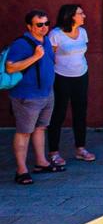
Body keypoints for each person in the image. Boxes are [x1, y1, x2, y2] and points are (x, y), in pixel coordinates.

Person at [7, 10, 61, 185]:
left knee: (40, 128)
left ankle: (41, 162)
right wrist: (35, 57)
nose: (44, 27)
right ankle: (21, 170)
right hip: (27, 96)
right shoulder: (21, 44)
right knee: (24, 132)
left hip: (46, 93)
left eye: (46, 24)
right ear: (29, 26)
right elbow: (11, 68)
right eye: (39, 24)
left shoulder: (45, 40)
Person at [46, 4, 93, 165]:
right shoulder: (56, 34)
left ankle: (81, 148)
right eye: (81, 13)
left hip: (81, 75)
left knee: (80, 112)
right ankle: (53, 152)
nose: (84, 16)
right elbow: (49, 57)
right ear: (71, 16)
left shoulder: (83, 33)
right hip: (61, 77)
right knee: (58, 114)